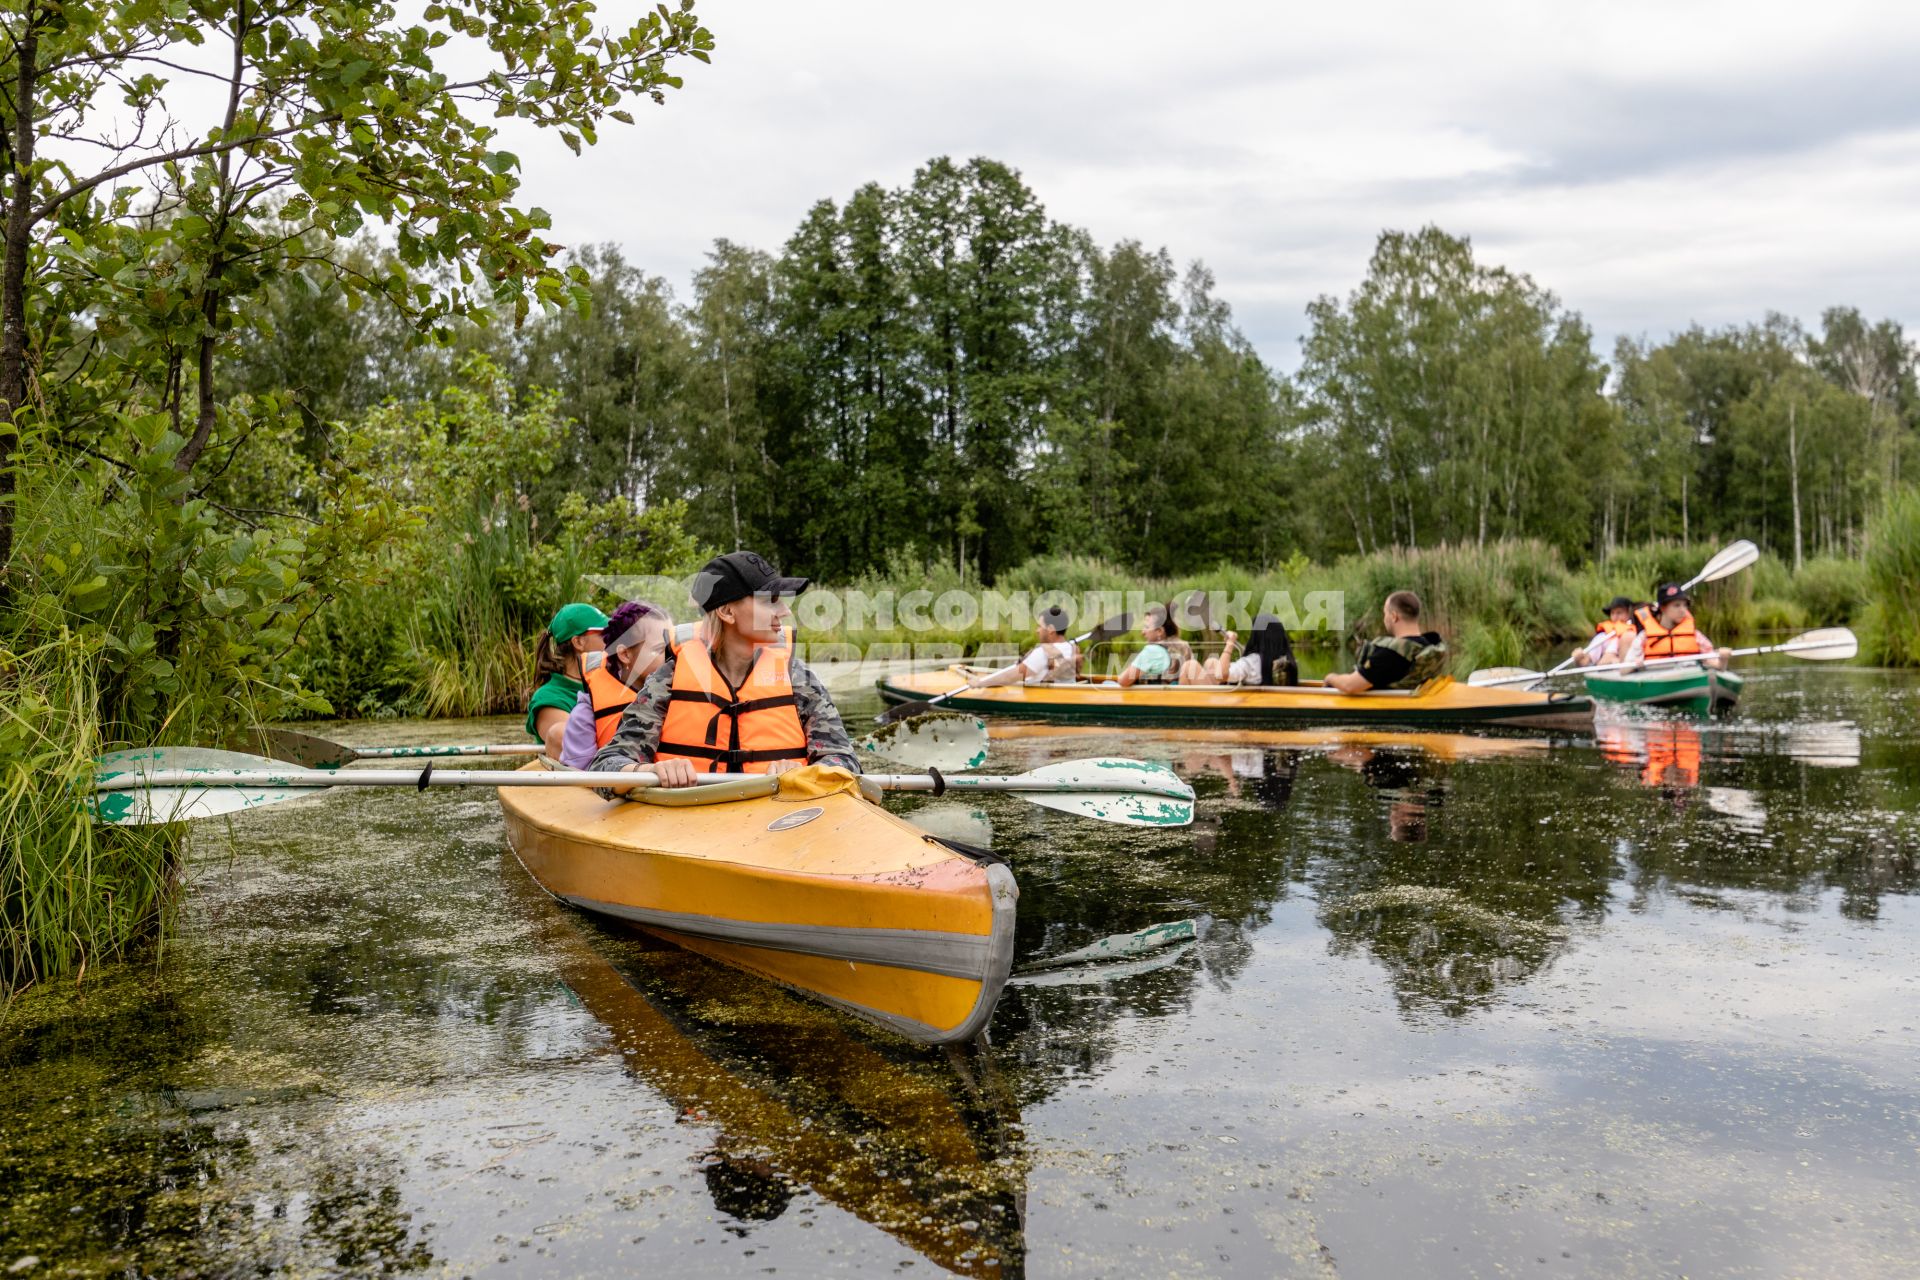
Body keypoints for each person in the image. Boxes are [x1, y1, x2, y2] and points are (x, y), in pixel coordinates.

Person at [592, 551, 858, 788]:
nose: (785, 611)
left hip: (777, 819)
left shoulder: (797, 677)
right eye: (771, 600)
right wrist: (651, 770)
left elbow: (846, 762)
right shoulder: (668, 680)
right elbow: (605, 766)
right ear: (727, 612)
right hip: (692, 822)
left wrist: (806, 772)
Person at [556, 599, 674, 768]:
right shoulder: (586, 713)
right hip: (615, 789)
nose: (672, 656)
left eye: (673, 646)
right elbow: (580, 779)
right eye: (660, 649)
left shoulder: (682, 694)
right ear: (625, 654)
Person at [526, 602, 608, 759]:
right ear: (578, 642)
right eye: (605, 633)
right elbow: (576, 747)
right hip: (574, 778)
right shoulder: (548, 698)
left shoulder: (609, 685)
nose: (613, 639)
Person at [1324, 591, 1448, 693]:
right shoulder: (1428, 646)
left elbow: (1350, 686)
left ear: (1394, 616)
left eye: (1385, 613)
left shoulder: (1392, 653)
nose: (1385, 618)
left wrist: (1330, 678)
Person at [1623, 583, 1725, 670]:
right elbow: (1624, 670)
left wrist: (1723, 659)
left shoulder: (1696, 635)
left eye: (1685, 605)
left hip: (1688, 676)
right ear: (1663, 608)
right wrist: (1636, 666)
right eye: (1677, 605)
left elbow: (1717, 665)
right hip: (1656, 678)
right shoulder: (1644, 637)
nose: (1683, 610)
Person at [969, 606, 1077, 688]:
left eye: (1040, 626)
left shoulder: (1042, 653)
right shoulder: (1072, 648)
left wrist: (980, 683)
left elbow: (1010, 677)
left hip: (1043, 700)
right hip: (1061, 695)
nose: (1037, 630)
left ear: (1050, 629)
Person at [1180, 613, 1299, 687]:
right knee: (1211, 663)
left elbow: (1221, 675)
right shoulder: (1285, 659)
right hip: (1263, 700)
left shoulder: (1251, 662)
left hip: (1232, 704)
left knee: (1189, 666)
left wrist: (1230, 644)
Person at [1115, 603, 1193, 687]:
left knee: (1107, 684)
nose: (1143, 632)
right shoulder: (1185, 646)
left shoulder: (1152, 651)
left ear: (1159, 631)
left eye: (1146, 627)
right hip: (1175, 697)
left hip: (1156, 698)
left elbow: (1123, 681)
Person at [1572, 595, 1638, 667]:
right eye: (1612, 613)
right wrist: (1579, 658)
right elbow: (1585, 662)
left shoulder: (1640, 631)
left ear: (1629, 613)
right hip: (1612, 668)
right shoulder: (1603, 637)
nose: (1615, 617)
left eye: (1619, 613)